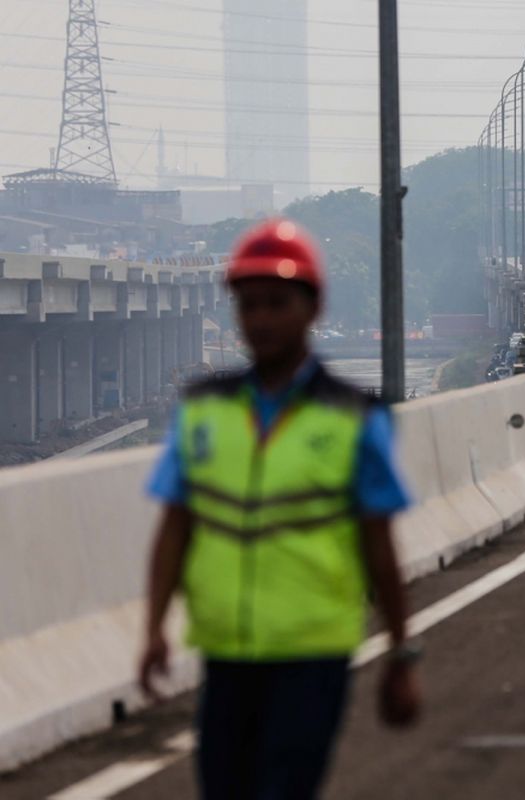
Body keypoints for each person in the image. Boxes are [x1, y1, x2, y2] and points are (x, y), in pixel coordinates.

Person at [139, 218, 421, 798]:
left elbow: (379, 545)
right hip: (226, 654)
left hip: (311, 655)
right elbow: (176, 528)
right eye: (249, 305)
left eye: (277, 303)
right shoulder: (203, 412)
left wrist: (399, 652)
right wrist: (153, 630)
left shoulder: (353, 417)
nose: (261, 320)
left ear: (311, 308)